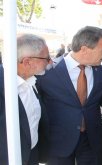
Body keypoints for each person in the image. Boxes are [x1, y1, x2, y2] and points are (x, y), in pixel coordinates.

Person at [36, 26, 102, 165]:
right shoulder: (47, 72)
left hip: (90, 139)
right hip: (58, 141)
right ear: (84, 49)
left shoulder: (101, 72)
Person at [0, 34, 51, 165]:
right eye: (46, 58)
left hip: (31, 156)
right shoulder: (4, 84)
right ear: (27, 62)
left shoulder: (32, 81)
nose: (50, 62)